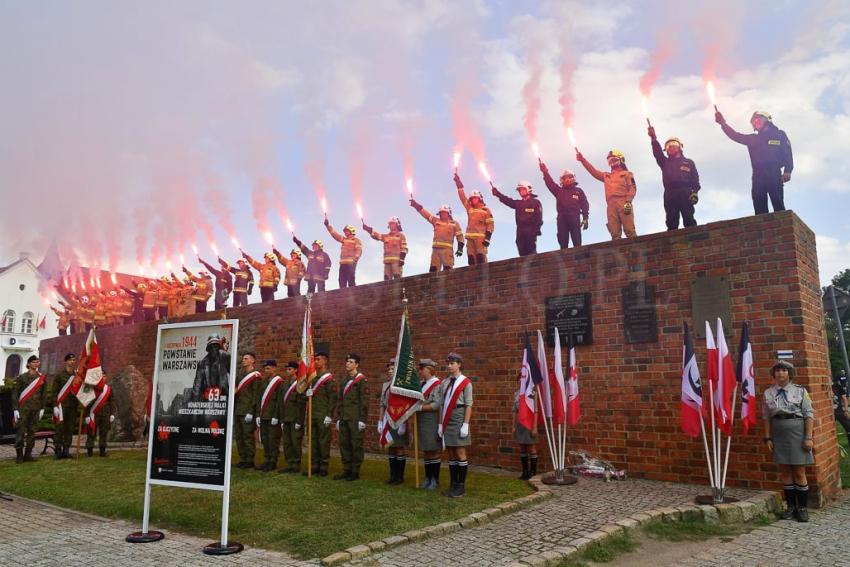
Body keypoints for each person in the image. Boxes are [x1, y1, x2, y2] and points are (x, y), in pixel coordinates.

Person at [763, 360, 814, 522]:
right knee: (785, 471)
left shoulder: (800, 391)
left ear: (789, 373)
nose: (780, 373)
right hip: (779, 433)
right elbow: (766, 417)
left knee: (799, 471)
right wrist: (768, 438)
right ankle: (791, 506)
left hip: (797, 432)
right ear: (774, 374)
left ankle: (802, 507)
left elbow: (808, 415)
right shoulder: (768, 393)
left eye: (784, 370)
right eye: (777, 370)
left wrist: (808, 437)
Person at [715, 110, 793, 215]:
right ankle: (762, 229)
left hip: (774, 173)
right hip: (758, 175)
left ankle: (783, 227)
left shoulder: (779, 134)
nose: (756, 123)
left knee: (778, 203)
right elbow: (735, 135)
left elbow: (787, 152)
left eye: (758, 120)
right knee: (759, 205)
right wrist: (723, 124)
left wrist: (788, 170)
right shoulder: (753, 139)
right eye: (754, 122)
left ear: (767, 119)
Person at [577, 149, 637, 240]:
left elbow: (632, 188)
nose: (612, 162)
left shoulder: (627, 174)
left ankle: (637, 252)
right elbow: (593, 171)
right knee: (615, 234)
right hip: (611, 206)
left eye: (614, 160)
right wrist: (583, 160)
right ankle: (619, 253)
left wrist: (628, 201)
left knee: (630, 231)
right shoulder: (606, 176)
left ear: (621, 160)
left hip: (623, 203)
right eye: (610, 161)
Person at [647, 127, 700, 230]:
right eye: (668, 146)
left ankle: (694, 240)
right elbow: (657, 153)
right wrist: (653, 138)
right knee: (671, 221)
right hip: (669, 193)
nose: (671, 148)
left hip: (686, 192)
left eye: (674, 145)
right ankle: (672, 242)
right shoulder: (664, 162)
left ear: (680, 147)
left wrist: (695, 192)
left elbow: (695, 179)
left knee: (689, 218)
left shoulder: (689, 162)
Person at [439, 352, 473, 497]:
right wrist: (440, 423)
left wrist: (465, 424)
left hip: (459, 416)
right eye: (448, 363)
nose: (449, 366)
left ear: (459, 364)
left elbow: (468, 404)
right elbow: (441, 404)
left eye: (452, 363)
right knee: (451, 452)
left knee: (460, 452)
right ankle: (453, 484)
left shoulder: (466, 382)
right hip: (447, 418)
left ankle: (461, 486)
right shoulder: (445, 382)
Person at [539, 162, 589, 248]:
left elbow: (585, 204)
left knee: (577, 242)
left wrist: (585, 218)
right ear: (561, 180)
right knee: (563, 241)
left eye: (570, 177)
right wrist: (544, 171)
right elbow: (549, 183)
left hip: (575, 218)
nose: (567, 179)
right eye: (565, 178)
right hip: (562, 219)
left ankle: (579, 259)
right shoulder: (558, 191)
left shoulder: (579, 191)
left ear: (573, 178)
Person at [335, 353, 368, 480]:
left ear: (357, 364)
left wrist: (362, 420)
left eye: (351, 362)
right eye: (347, 361)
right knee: (344, 444)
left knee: (356, 445)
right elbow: (340, 401)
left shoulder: (361, 380)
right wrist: (338, 418)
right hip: (344, 418)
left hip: (355, 419)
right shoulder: (344, 381)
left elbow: (364, 401)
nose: (347, 364)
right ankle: (346, 469)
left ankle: (355, 471)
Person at [409, 199, 464, 272]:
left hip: (447, 251)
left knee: (447, 270)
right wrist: (416, 206)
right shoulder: (436, 221)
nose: (443, 214)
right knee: (433, 270)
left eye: (445, 213)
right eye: (441, 213)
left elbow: (460, 236)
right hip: (435, 251)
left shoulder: (455, 224)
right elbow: (426, 215)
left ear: (449, 214)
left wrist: (460, 249)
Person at [491, 181, 544, 256]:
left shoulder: (536, 202)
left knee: (531, 253)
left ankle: (535, 266)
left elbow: (539, 217)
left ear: (529, 189)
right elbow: (508, 200)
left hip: (531, 231)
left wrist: (537, 229)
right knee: (522, 252)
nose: (521, 191)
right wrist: (497, 194)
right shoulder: (518, 204)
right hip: (520, 231)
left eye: (523, 189)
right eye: (520, 190)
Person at [305, 350, 337, 476]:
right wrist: (306, 394)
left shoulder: (328, 379)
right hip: (312, 414)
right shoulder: (312, 378)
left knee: (323, 442)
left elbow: (332, 398)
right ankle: (314, 465)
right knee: (312, 441)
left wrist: (329, 414)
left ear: (325, 361)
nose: (316, 362)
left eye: (318, 359)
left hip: (323, 415)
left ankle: (323, 466)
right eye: (315, 359)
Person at [12, 355, 47, 463]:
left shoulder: (41, 378)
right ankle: (19, 455)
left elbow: (43, 394)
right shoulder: (22, 378)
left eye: (37, 362)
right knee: (21, 432)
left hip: (36, 409)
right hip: (23, 409)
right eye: (34, 362)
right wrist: (15, 409)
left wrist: (42, 408)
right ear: (28, 364)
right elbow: (15, 393)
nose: (36, 364)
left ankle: (28, 454)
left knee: (32, 432)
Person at [454, 173, 494, 265]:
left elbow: (490, 225)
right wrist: (459, 184)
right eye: (472, 199)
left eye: (475, 198)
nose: (473, 200)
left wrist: (488, 238)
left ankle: (484, 278)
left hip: (481, 240)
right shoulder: (470, 208)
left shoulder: (486, 210)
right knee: (471, 260)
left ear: (479, 198)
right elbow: (462, 198)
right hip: (470, 240)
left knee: (481, 260)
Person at [380, 358, 409, 485]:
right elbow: (382, 404)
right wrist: (380, 421)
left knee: (399, 448)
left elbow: (406, 405)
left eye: (392, 369)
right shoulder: (385, 385)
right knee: (391, 447)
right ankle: (393, 475)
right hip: (388, 419)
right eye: (389, 369)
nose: (390, 371)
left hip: (399, 420)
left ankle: (399, 477)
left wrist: (403, 423)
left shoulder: (402, 385)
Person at [417, 358, 442, 489]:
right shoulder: (421, 384)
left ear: (429, 369)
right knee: (426, 450)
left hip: (432, 420)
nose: (420, 371)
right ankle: (427, 477)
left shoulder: (437, 384)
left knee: (433, 450)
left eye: (422, 369)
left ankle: (434, 479)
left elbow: (437, 404)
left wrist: (420, 408)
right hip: (421, 421)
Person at [234, 353, 262, 469]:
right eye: (243, 358)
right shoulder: (240, 374)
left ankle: (249, 460)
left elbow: (256, 395)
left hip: (247, 411)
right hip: (238, 409)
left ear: (252, 361)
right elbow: (235, 390)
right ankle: (243, 458)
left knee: (247, 436)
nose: (243, 360)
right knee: (239, 435)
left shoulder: (255, 376)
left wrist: (251, 412)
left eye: (246, 359)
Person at [50, 353, 81, 459]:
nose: (73, 362)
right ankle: (58, 450)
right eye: (71, 360)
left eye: (74, 360)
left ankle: (66, 450)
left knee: (69, 428)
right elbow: (54, 391)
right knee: (60, 428)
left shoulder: (77, 375)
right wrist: (54, 406)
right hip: (61, 406)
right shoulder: (60, 375)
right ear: (66, 361)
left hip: (72, 405)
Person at [256, 360, 284, 472]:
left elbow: (279, 401)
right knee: (265, 439)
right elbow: (260, 399)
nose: (266, 370)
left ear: (274, 369)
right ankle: (267, 460)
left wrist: (276, 416)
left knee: (273, 440)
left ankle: (273, 461)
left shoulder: (279, 382)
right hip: (264, 415)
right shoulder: (264, 382)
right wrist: (258, 414)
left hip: (272, 416)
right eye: (265, 368)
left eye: (268, 368)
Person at [279, 361, 306, 473]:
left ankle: (295, 464)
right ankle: (289, 463)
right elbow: (281, 403)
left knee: (295, 443)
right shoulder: (284, 384)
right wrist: (281, 419)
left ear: (296, 370)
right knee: (287, 442)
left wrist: (299, 420)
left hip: (295, 418)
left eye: (290, 369)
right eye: (287, 369)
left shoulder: (300, 384)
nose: (287, 371)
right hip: (286, 418)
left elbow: (301, 404)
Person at [190, 334, 231, 402]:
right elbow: (197, 386)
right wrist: (195, 405)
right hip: (208, 398)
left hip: (224, 396)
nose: (213, 349)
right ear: (208, 349)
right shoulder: (202, 364)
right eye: (211, 347)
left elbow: (234, 374)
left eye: (215, 346)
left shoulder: (225, 357)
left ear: (218, 347)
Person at [324, 219, 362, 288]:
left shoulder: (356, 240)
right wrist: (327, 226)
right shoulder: (344, 239)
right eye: (345, 231)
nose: (345, 233)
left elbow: (359, 250)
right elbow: (335, 234)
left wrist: (355, 258)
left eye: (346, 231)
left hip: (351, 263)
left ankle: (353, 294)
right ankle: (343, 295)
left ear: (351, 231)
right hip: (342, 263)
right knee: (341, 280)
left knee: (351, 279)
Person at [84, 377, 116, 457]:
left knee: (104, 433)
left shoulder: (108, 389)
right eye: (101, 375)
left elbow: (111, 401)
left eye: (104, 376)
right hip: (94, 414)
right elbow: (87, 401)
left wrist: (112, 413)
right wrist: (87, 414)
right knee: (91, 433)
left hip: (105, 414)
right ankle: (89, 451)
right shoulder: (92, 388)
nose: (103, 377)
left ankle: (102, 451)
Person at [513, 385, 538, 480]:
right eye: (519, 378)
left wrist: (534, 426)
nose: (520, 380)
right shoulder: (517, 393)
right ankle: (525, 472)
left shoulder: (533, 393)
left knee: (531, 447)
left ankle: (533, 472)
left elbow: (536, 411)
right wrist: (513, 426)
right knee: (522, 447)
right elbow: (515, 411)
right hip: (520, 423)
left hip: (529, 422)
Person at [832, 372, 850, 438]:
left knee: (848, 427)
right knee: (830, 430)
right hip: (830, 413)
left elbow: (844, 399)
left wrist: (846, 410)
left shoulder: (837, 386)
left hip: (839, 411)